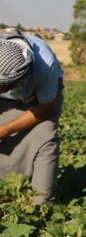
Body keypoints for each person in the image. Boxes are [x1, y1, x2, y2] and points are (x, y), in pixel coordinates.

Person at [0, 30, 63, 206]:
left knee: (44, 136)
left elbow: (45, 109)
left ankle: (41, 206)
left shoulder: (45, 66)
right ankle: (8, 188)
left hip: (38, 100)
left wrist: (4, 130)